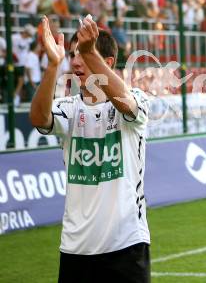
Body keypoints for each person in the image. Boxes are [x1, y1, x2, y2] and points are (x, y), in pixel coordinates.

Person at [29, 15, 151, 283]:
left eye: (82, 54)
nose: (74, 62)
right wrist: (52, 65)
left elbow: (126, 103)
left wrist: (89, 51)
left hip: (127, 245)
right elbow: (39, 118)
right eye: (72, 54)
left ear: (106, 63)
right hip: (76, 249)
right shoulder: (68, 108)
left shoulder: (137, 99)